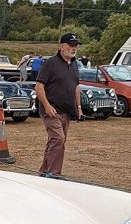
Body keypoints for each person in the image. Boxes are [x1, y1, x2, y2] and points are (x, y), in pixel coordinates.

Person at [35, 33, 82, 179]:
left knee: (55, 141)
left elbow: (76, 87)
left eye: (75, 45)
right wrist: (47, 106)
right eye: (70, 45)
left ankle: (44, 171)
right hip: (51, 110)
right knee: (58, 139)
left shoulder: (74, 64)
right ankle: (54, 173)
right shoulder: (50, 63)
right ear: (61, 46)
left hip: (66, 111)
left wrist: (79, 108)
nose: (73, 48)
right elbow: (39, 86)